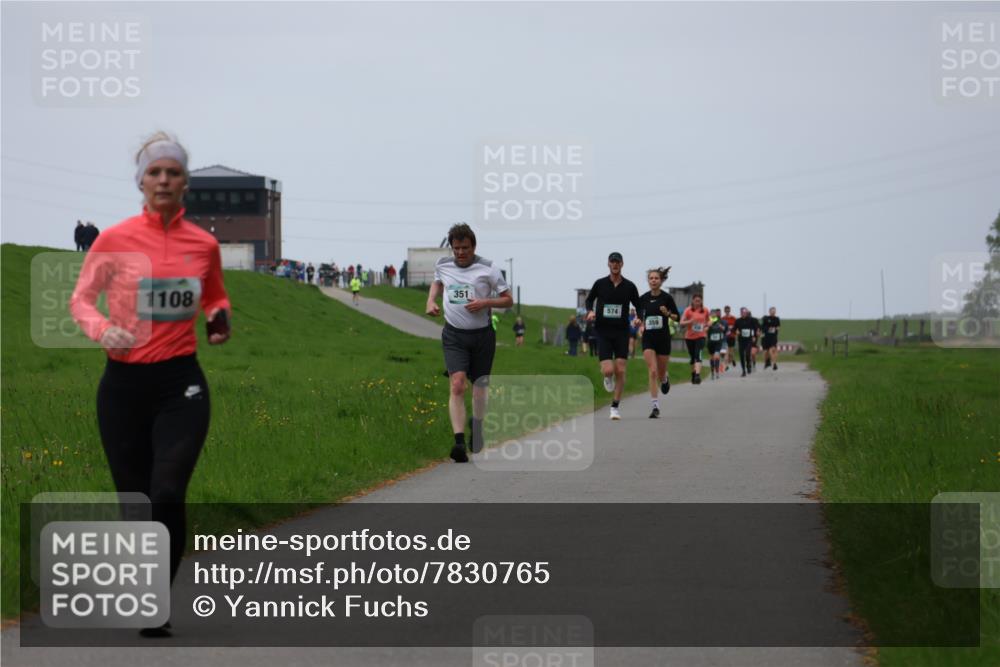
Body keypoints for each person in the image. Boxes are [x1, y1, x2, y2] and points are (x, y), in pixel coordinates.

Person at [69, 132, 231, 638]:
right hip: (123, 388)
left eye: (173, 172)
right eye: (154, 172)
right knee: (136, 500)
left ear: (185, 183)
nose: (163, 180)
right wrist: (102, 329)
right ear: (141, 182)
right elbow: (80, 300)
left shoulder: (203, 244)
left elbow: (215, 296)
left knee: (167, 490)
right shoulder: (114, 240)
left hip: (181, 384)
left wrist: (218, 317)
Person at [426, 223, 512, 462]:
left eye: (465, 248)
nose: (460, 253)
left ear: (473, 246)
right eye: (456, 248)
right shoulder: (442, 264)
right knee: (457, 384)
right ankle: (459, 443)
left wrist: (485, 303)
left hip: (482, 336)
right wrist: (431, 300)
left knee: (479, 389)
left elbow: (508, 300)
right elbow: (437, 282)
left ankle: (478, 425)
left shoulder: (488, 268)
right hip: (454, 335)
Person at [585, 251, 642, 420]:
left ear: (622, 264)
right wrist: (590, 311)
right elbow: (589, 300)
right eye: (612, 262)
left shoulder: (629, 286)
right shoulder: (600, 283)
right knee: (609, 370)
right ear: (608, 264)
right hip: (603, 331)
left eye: (618, 262)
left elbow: (639, 305)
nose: (615, 264)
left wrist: (639, 317)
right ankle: (607, 377)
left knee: (621, 370)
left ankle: (615, 407)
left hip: (622, 332)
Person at [636, 266, 679, 418]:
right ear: (648, 281)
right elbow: (639, 316)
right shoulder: (643, 298)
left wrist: (667, 313)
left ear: (661, 281)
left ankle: (665, 378)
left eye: (656, 278)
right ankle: (655, 406)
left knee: (660, 373)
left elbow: (677, 317)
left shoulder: (667, 298)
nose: (653, 280)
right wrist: (638, 321)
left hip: (663, 339)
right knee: (652, 371)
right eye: (651, 278)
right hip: (648, 338)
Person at [679, 293, 710, 385]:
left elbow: (708, 320)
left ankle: (697, 375)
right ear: (692, 301)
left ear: (701, 301)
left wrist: (707, 326)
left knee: (698, 355)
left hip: (701, 336)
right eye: (696, 301)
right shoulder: (688, 310)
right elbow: (681, 322)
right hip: (689, 337)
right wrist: (690, 321)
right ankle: (693, 374)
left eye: (699, 301)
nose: (697, 303)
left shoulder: (705, 310)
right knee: (693, 358)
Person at [733, 307, 760, 377]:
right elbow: (733, 329)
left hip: (749, 340)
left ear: (747, 313)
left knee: (748, 354)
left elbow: (755, 328)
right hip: (741, 340)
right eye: (742, 313)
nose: (743, 314)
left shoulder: (751, 320)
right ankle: (743, 371)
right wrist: (736, 331)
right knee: (742, 355)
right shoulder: (738, 321)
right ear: (740, 313)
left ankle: (748, 365)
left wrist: (754, 336)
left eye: (745, 313)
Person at [706, 309, 728, 380]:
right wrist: (708, 325)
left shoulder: (720, 321)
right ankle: (712, 372)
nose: (713, 315)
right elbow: (704, 330)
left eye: (714, 313)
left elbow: (724, 329)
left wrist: (720, 326)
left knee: (717, 357)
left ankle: (717, 372)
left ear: (716, 314)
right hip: (710, 342)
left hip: (718, 342)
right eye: (711, 313)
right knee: (712, 358)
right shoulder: (708, 321)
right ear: (710, 315)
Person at [761, 306, 782, 370]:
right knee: (765, 352)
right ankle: (767, 362)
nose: (773, 312)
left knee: (772, 350)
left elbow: (778, 326)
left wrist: (777, 328)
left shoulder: (777, 319)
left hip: (773, 337)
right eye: (772, 311)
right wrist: (768, 328)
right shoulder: (766, 318)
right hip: (766, 337)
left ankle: (774, 364)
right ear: (769, 312)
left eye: (774, 311)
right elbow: (762, 327)